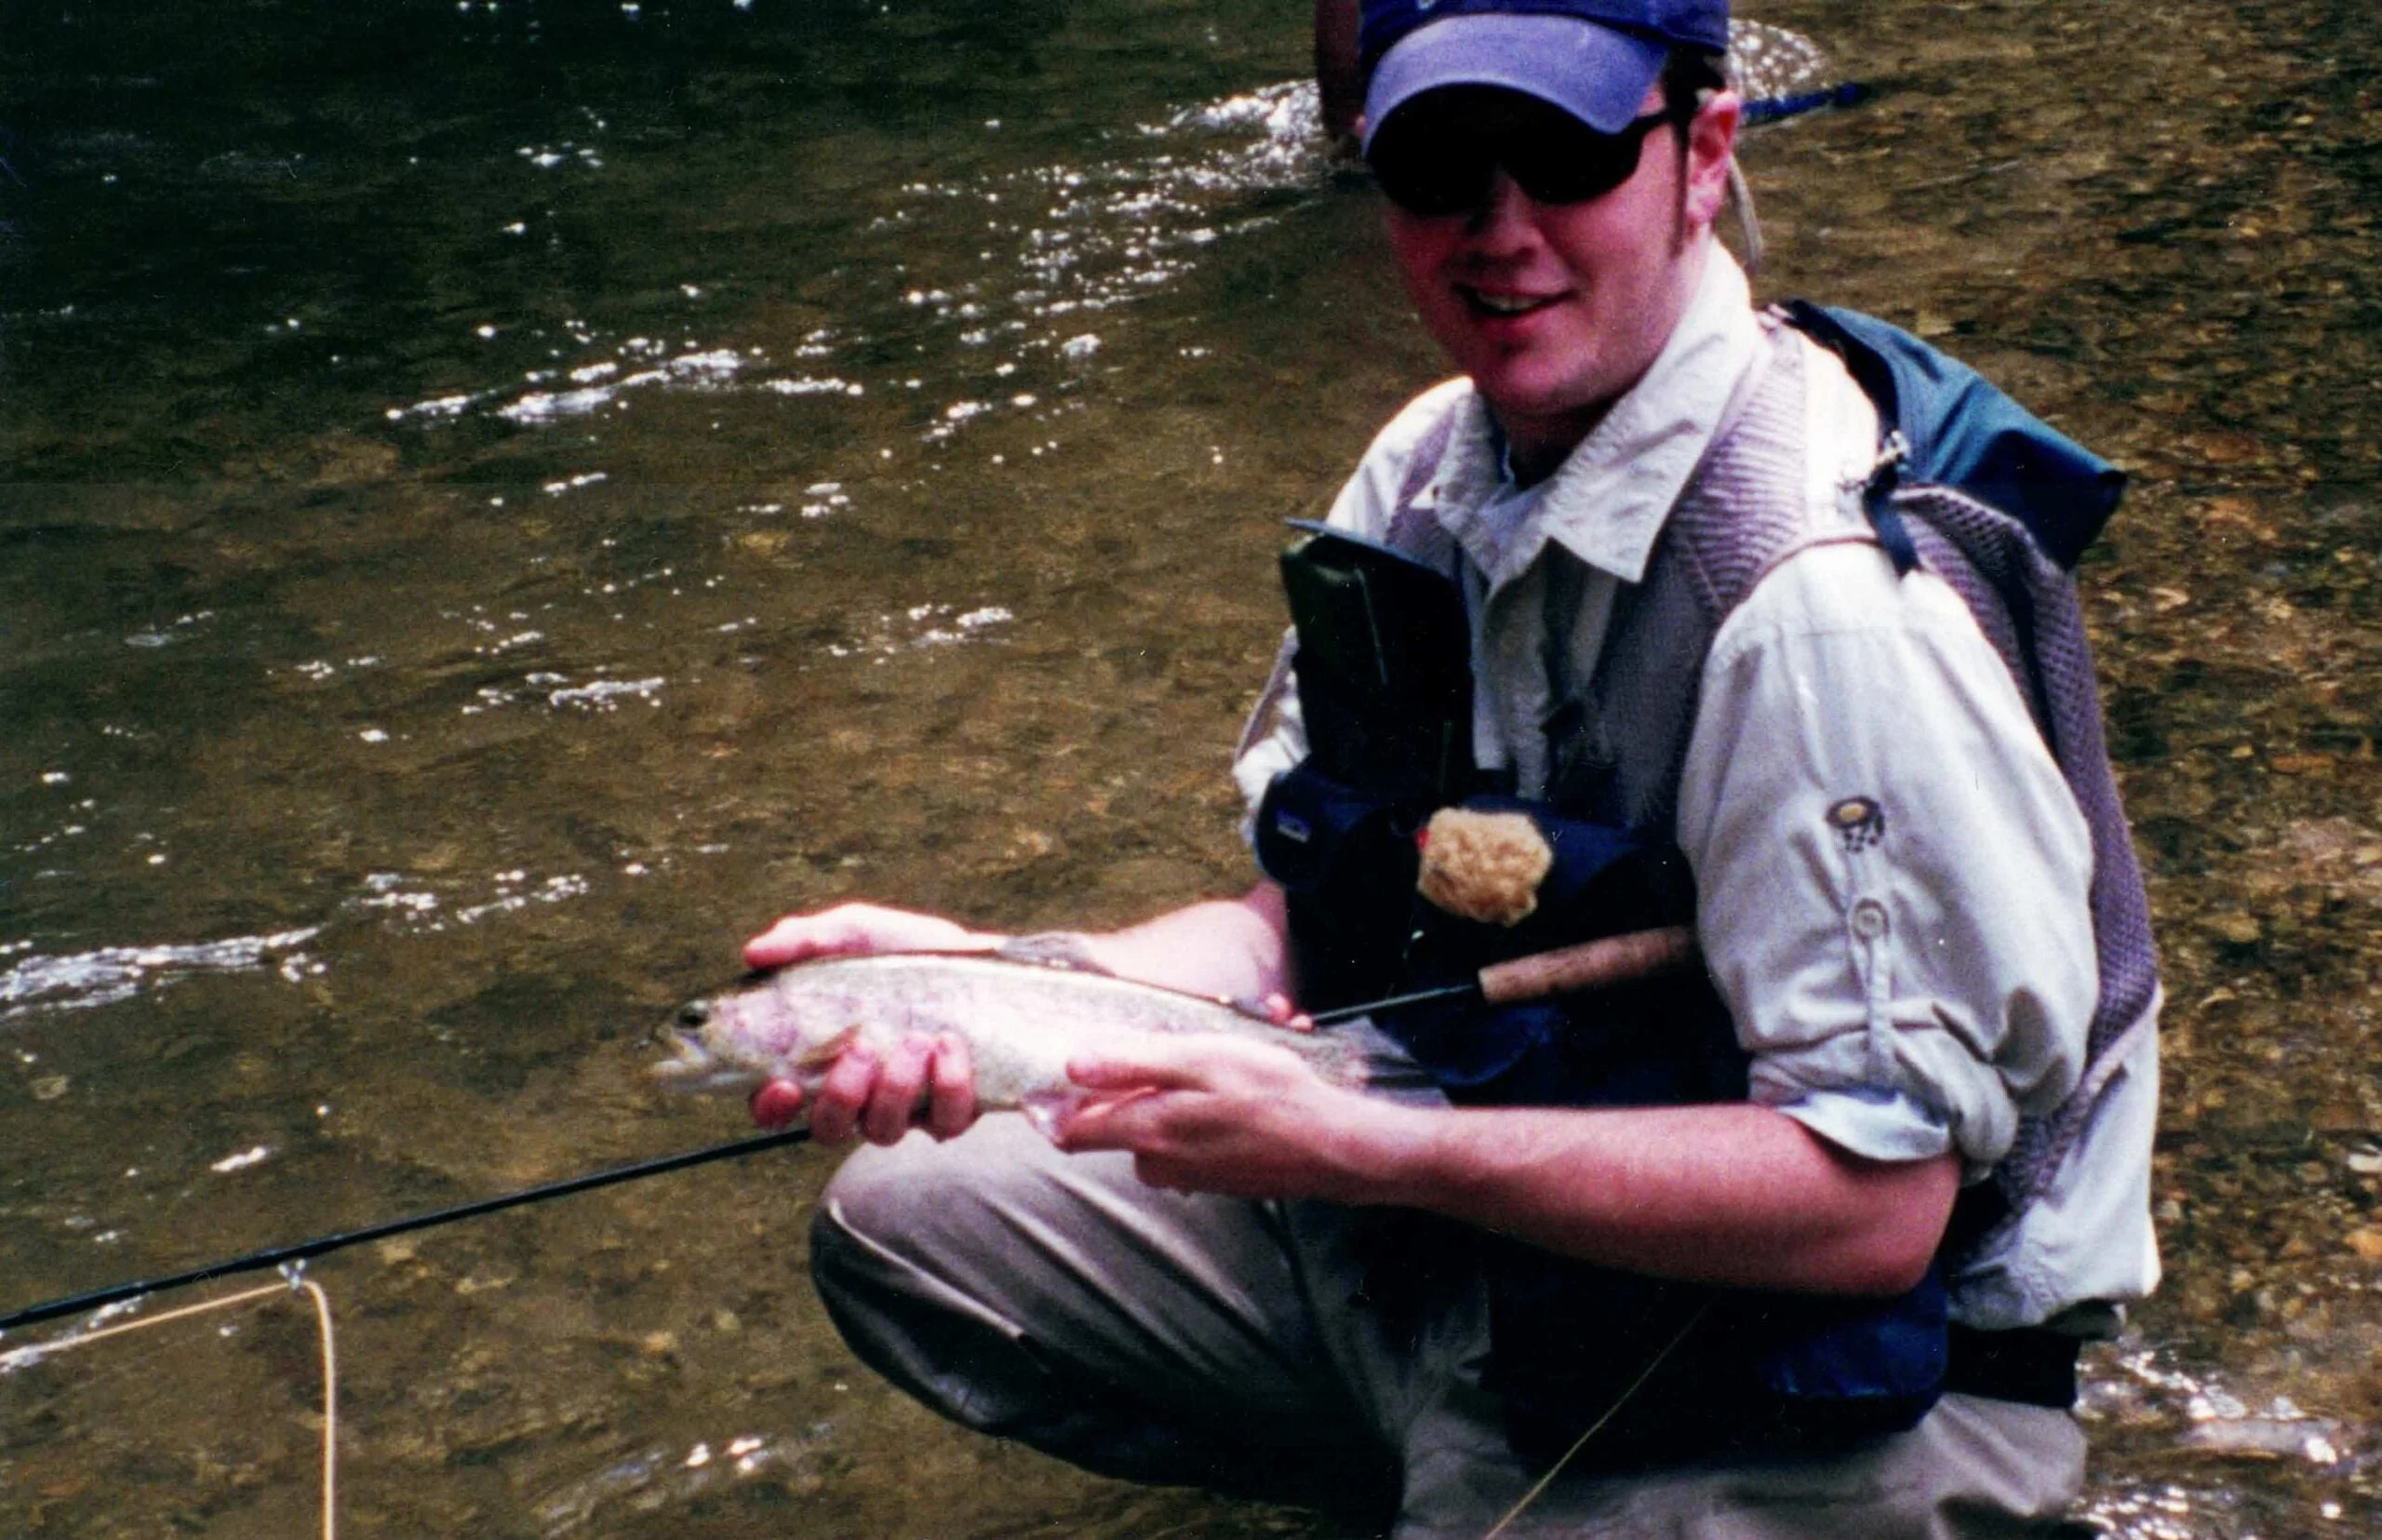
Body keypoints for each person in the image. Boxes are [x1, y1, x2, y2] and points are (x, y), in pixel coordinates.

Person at [741, 1, 2161, 1533]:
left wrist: (1363, 1146)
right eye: (1437, 169)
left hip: (1839, 1363)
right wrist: (1011, 980)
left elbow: (1878, 1209)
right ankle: (1448, 1471)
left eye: (1560, 155)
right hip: (1489, 1249)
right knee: (910, 1223)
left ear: (1705, 152)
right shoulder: (1431, 468)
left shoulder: (1814, 611)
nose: (1500, 235)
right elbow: (1306, 915)